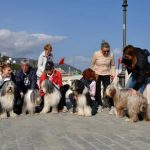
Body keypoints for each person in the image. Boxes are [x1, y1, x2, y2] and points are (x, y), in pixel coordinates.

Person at [91, 40, 116, 114]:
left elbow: (113, 65)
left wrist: (113, 74)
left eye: (107, 51)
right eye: (104, 51)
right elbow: (92, 64)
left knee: (108, 90)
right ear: (101, 49)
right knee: (97, 89)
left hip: (107, 73)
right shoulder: (96, 54)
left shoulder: (111, 55)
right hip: (97, 73)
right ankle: (99, 105)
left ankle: (111, 106)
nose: (106, 53)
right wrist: (93, 73)